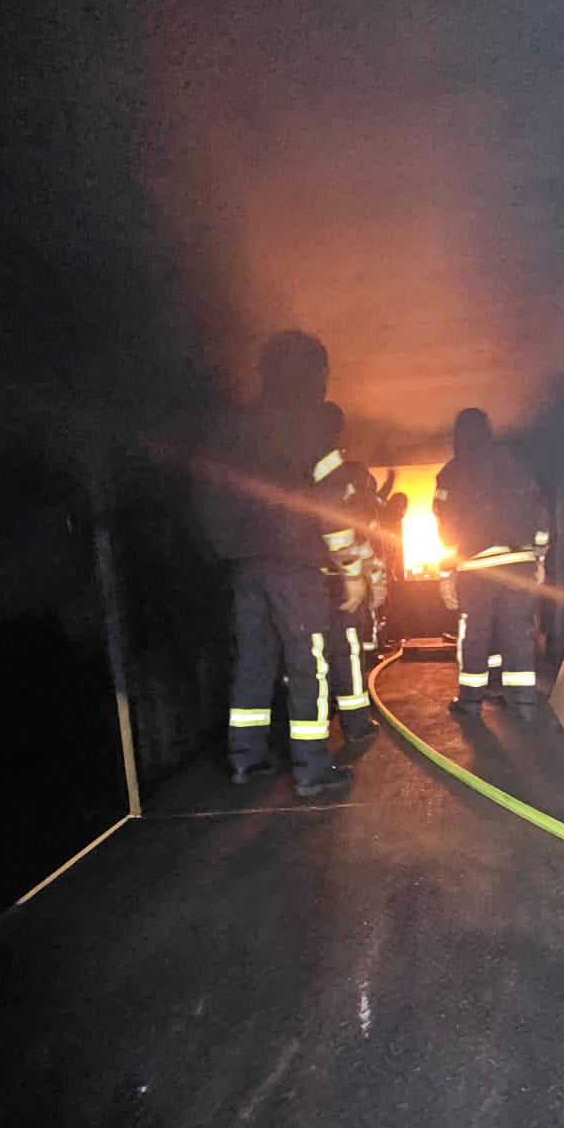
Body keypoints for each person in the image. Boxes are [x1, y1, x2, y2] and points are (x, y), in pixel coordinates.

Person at [198, 331, 356, 798]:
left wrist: (228, 549)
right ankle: (312, 768)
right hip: (295, 564)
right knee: (308, 663)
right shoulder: (312, 425)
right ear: (314, 372)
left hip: (245, 566)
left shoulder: (239, 427)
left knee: (253, 661)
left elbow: (212, 495)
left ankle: (245, 759)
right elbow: (332, 504)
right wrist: (349, 564)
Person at [433, 407, 549, 719]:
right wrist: (539, 558)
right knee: (517, 633)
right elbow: (538, 511)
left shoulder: (450, 474)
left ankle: (470, 703)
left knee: (475, 634)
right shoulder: (514, 466)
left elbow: (445, 527)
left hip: (476, 567)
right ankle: (523, 703)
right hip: (518, 564)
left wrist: (445, 573)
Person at [312, 401, 382, 746]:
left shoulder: (292, 462)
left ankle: (321, 716)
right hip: (338, 579)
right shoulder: (338, 471)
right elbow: (354, 532)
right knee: (347, 650)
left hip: (305, 579)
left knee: (312, 652)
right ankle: (356, 724)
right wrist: (363, 575)